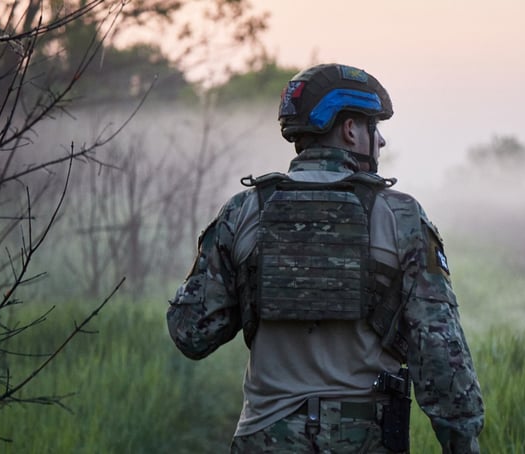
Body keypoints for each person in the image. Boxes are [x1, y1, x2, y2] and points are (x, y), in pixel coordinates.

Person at [167, 63, 484, 453]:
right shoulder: (400, 217)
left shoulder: (242, 211)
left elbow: (191, 334)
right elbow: (440, 352)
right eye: (374, 126)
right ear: (350, 130)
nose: (380, 141)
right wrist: (461, 442)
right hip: (364, 440)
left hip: (265, 438)